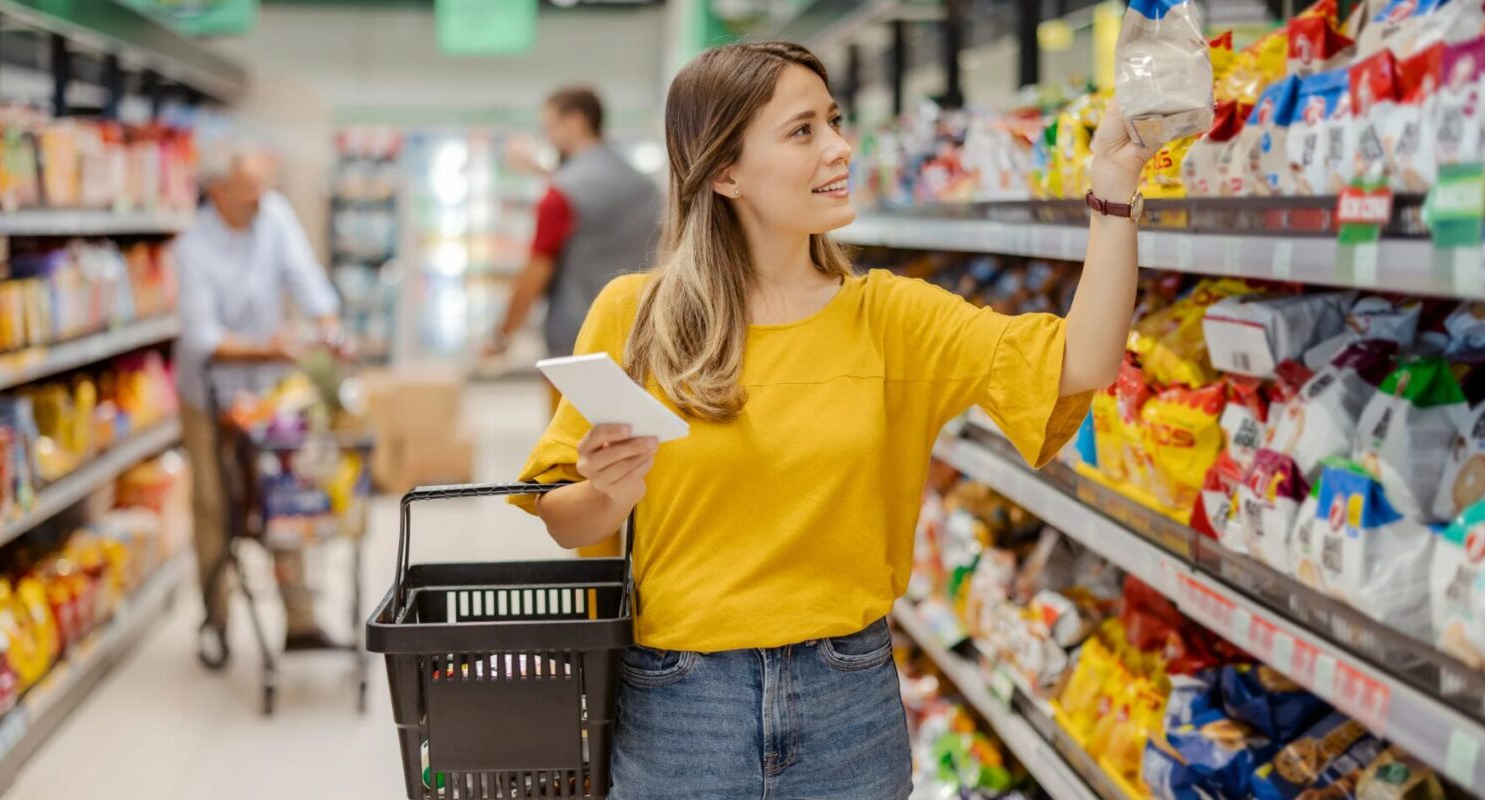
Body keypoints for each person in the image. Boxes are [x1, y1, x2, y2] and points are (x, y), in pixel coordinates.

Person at [510, 42, 1147, 798]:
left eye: (834, 122)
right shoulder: (637, 316)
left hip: (849, 702)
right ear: (724, 172)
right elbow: (565, 520)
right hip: (681, 708)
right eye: (803, 130)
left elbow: (1083, 361)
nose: (841, 147)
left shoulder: (890, 317)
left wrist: (1113, 193)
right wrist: (608, 492)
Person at [174, 149, 346, 662]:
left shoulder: (272, 216)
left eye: (262, 188)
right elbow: (204, 337)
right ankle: (215, 618)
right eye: (248, 190)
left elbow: (306, 277)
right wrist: (272, 347)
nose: (260, 199)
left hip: (267, 394)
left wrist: (328, 323)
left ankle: (300, 618)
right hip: (209, 395)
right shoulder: (193, 247)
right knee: (213, 505)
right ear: (219, 192)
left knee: (284, 494)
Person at [489, 86, 660, 559]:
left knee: (585, 481)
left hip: (577, 355)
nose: (547, 135)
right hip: (649, 348)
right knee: (646, 474)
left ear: (575, 122)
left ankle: (599, 606)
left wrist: (501, 334)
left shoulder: (561, 195)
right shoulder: (645, 186)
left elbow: (534, 273)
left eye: (551, 124)